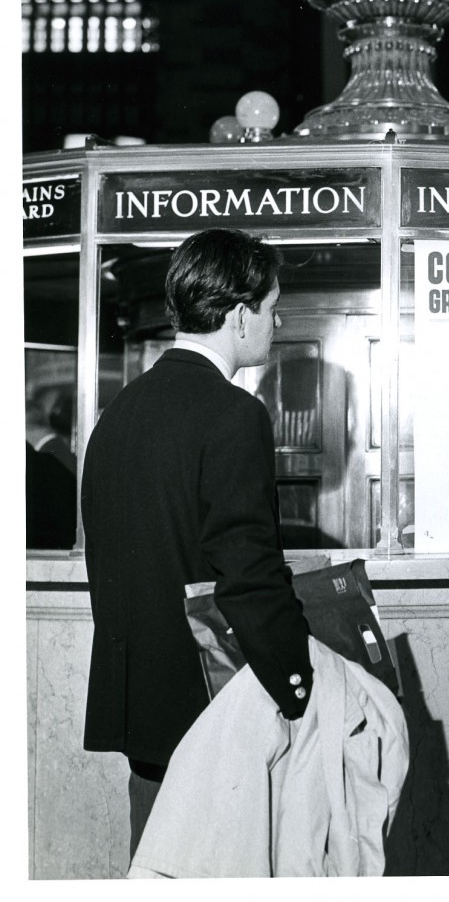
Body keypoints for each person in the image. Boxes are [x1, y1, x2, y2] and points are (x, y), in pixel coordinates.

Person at [81, 227, 313, 860]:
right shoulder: (233, 414)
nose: (277, 321)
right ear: (239, 316)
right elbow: (250, 574)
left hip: (142, 714)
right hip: (210, 717)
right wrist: (299, 687)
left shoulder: (119, 414)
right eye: (270, 308)